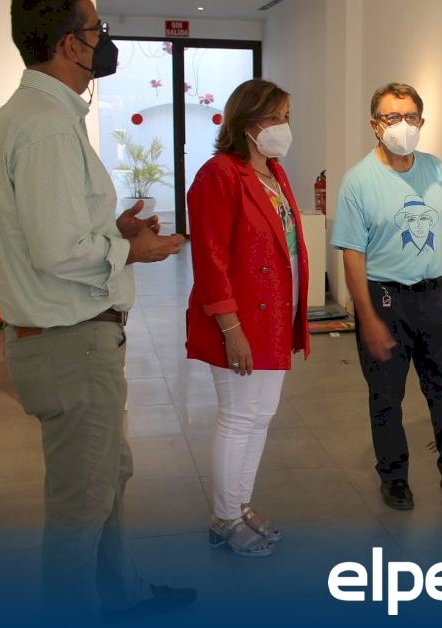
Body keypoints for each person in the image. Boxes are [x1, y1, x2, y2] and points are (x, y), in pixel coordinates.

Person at [0, 0, 192, 620]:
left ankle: (121, 594)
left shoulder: (37, 117)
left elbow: (52, 232)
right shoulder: (45, 125)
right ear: (71, 44)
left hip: (70, 339)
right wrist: (131, 249)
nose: (105, 40)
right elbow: (56, 252)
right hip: (68, 341)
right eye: (98, 29)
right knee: (81, 504)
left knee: (107, 479)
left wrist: (114, 229)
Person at [331, 82, 442, 510]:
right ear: (374, 125)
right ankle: (394, 477)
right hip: (385, 299)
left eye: (410, 117)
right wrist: (366, 316)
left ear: (421, 121)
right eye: (392, 117)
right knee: (386, 395)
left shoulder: (435, 170)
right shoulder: (358, 182)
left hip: (435, 296)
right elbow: (352, 255)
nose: (402, 125)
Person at [185, 78, 309, 557]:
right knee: (238, 417)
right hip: (240, 321)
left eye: (286, 117)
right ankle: (224, 517)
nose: (283, 126)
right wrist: (230, 329)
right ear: (247, 123)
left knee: (261, 417)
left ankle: (240, 504)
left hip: (275, 317)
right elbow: (210, 260)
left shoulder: (274, 173)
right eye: (274, 117)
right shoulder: (219, 174)